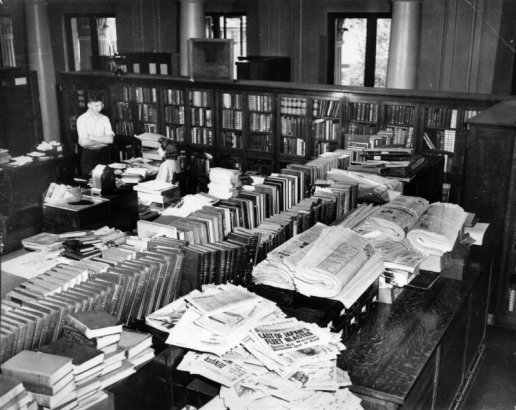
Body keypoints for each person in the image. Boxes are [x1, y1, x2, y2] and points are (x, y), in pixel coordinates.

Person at [76, 92, 115, 176]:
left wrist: (91, 137)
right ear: (89, 105)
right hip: (89, 154)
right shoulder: (82, 119)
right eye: (96, 106)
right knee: (89, 181)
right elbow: (85, 143)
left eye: (101, 105)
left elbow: (110, 140)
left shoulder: (105, 119)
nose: (99, 108)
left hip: (103, 154)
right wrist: (103, 141)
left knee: (105, 180)